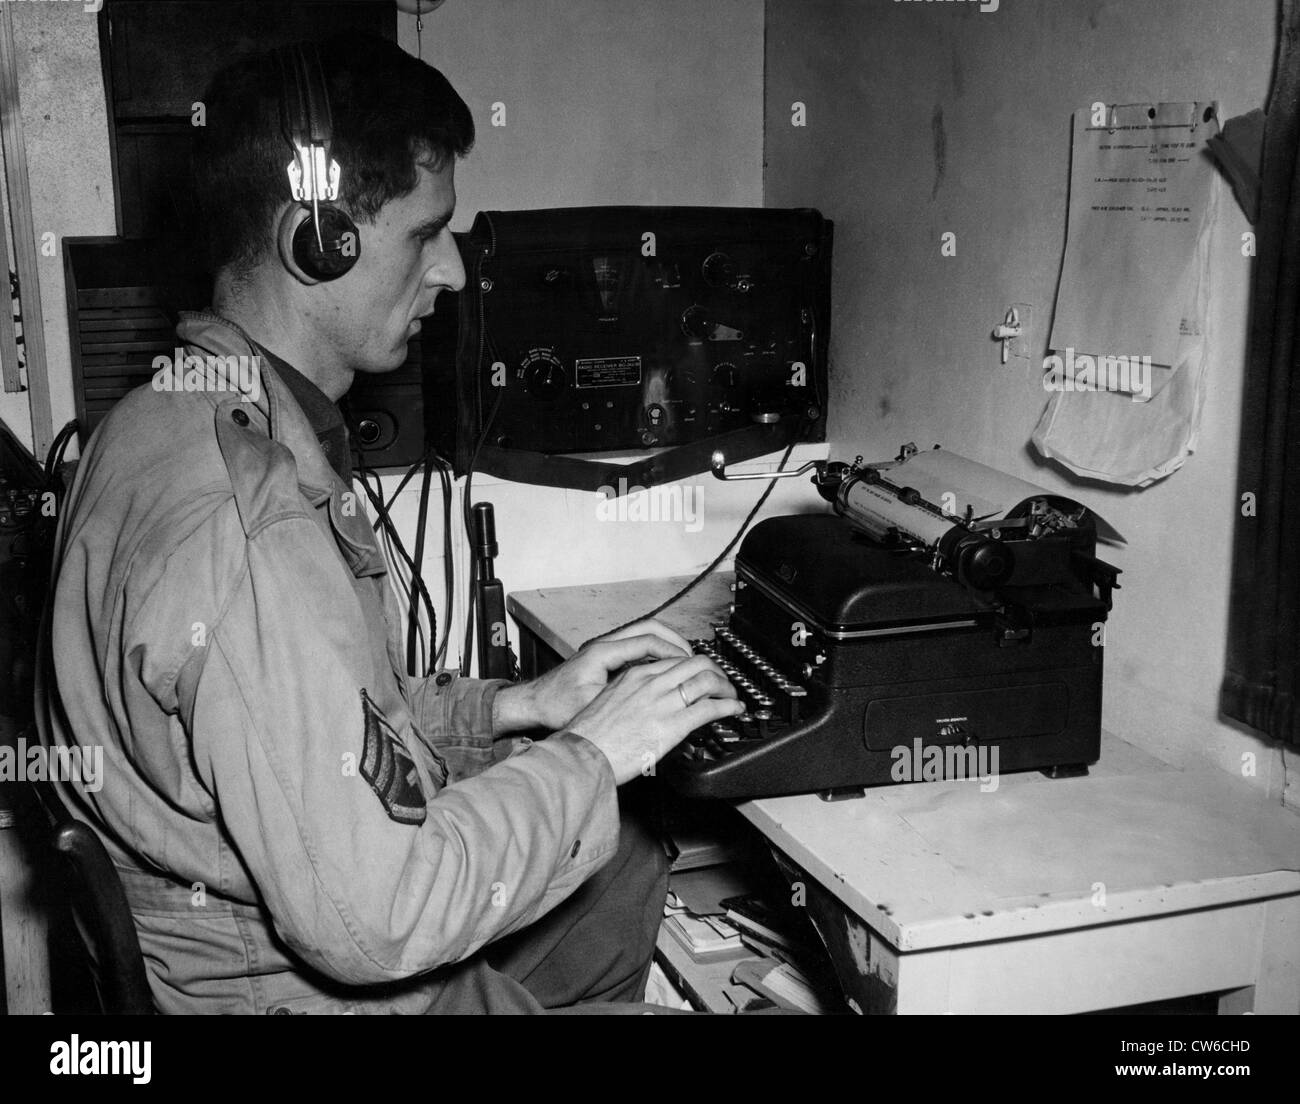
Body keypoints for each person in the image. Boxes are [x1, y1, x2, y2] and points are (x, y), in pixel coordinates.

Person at [36, 34, 742, 1014]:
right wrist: (592, 752)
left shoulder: (164, 415)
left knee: (615, 858)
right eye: (425, 233)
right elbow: (377, 921)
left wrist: (513, 712)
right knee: (602, 817)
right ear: (316, 240)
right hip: (307, 985)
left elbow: (330, 721)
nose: (452, 270)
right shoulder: (251, 523)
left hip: (250, 925)